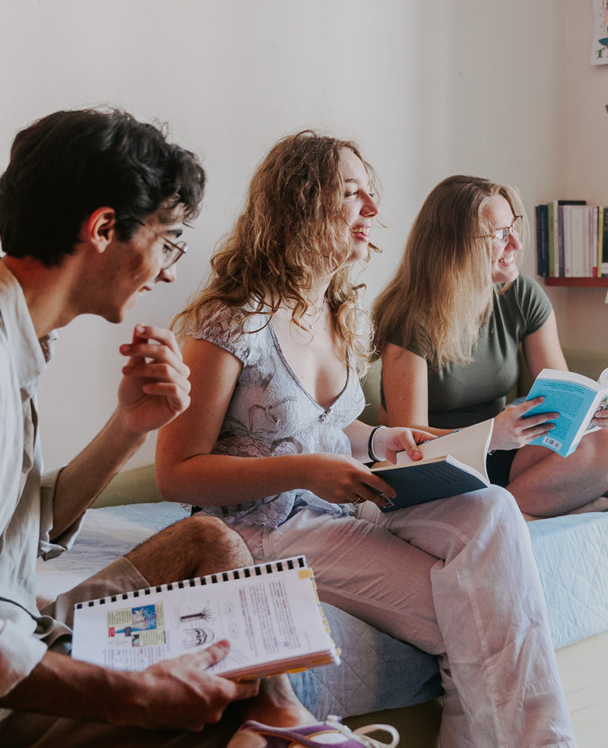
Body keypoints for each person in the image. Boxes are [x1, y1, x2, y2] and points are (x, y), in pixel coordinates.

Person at [0, 108, 394, 748]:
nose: (170, 270)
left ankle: (286, 721)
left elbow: (21, 529)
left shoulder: (1, 336)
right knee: (209, 703)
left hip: (18, 619)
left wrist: (129, 427)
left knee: (210, 541)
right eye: (167, 240)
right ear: (102, 229)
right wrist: (133, 694)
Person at [154, 133, 575, 748]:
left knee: (491, 507)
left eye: (370, 193)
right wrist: (306, 471)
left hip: (343, 502)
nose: (373, 210)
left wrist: (381, 437)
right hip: (264, 528)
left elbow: (328, 426)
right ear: (302, 205)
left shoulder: (334, 311)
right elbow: (176, 471)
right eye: (353, 194)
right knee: (482, 611)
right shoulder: (231, 321)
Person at [373, 176, 608, 519]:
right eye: (499, 234)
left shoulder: (522, 295)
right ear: (456, 246)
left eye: (513, 228)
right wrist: (490, 434)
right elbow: (409, 444)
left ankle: (509, 514)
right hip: (441, 463)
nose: (515, 243)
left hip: (503, 451)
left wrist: (600, 413)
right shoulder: (410, 318)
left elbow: (563, 400)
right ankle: (523, 515)